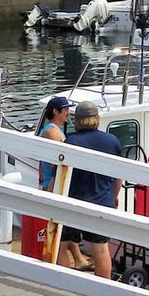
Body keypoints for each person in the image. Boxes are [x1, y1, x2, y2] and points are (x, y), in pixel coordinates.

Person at [61, 100, 122, 279]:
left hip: (74, 201)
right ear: (97, 118)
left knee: (62, 245)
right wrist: (114, 196)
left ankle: (62, 283)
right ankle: (103, 287)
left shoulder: (71, 142)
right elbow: (119, 175)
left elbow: (61, 175)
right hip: (102, 200)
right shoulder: (112, 141)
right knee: (101, 248)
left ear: (77, 120)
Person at [36, 95, 90, 269]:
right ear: (55, 111)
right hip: (54, 183)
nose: (68, 112)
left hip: (54, 181)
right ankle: (63, 266)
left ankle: (79, 259)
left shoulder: (54, 130)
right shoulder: (51, 131)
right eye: (65, 109)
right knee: (61, 227)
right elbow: (62, 157)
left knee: (65, 225)